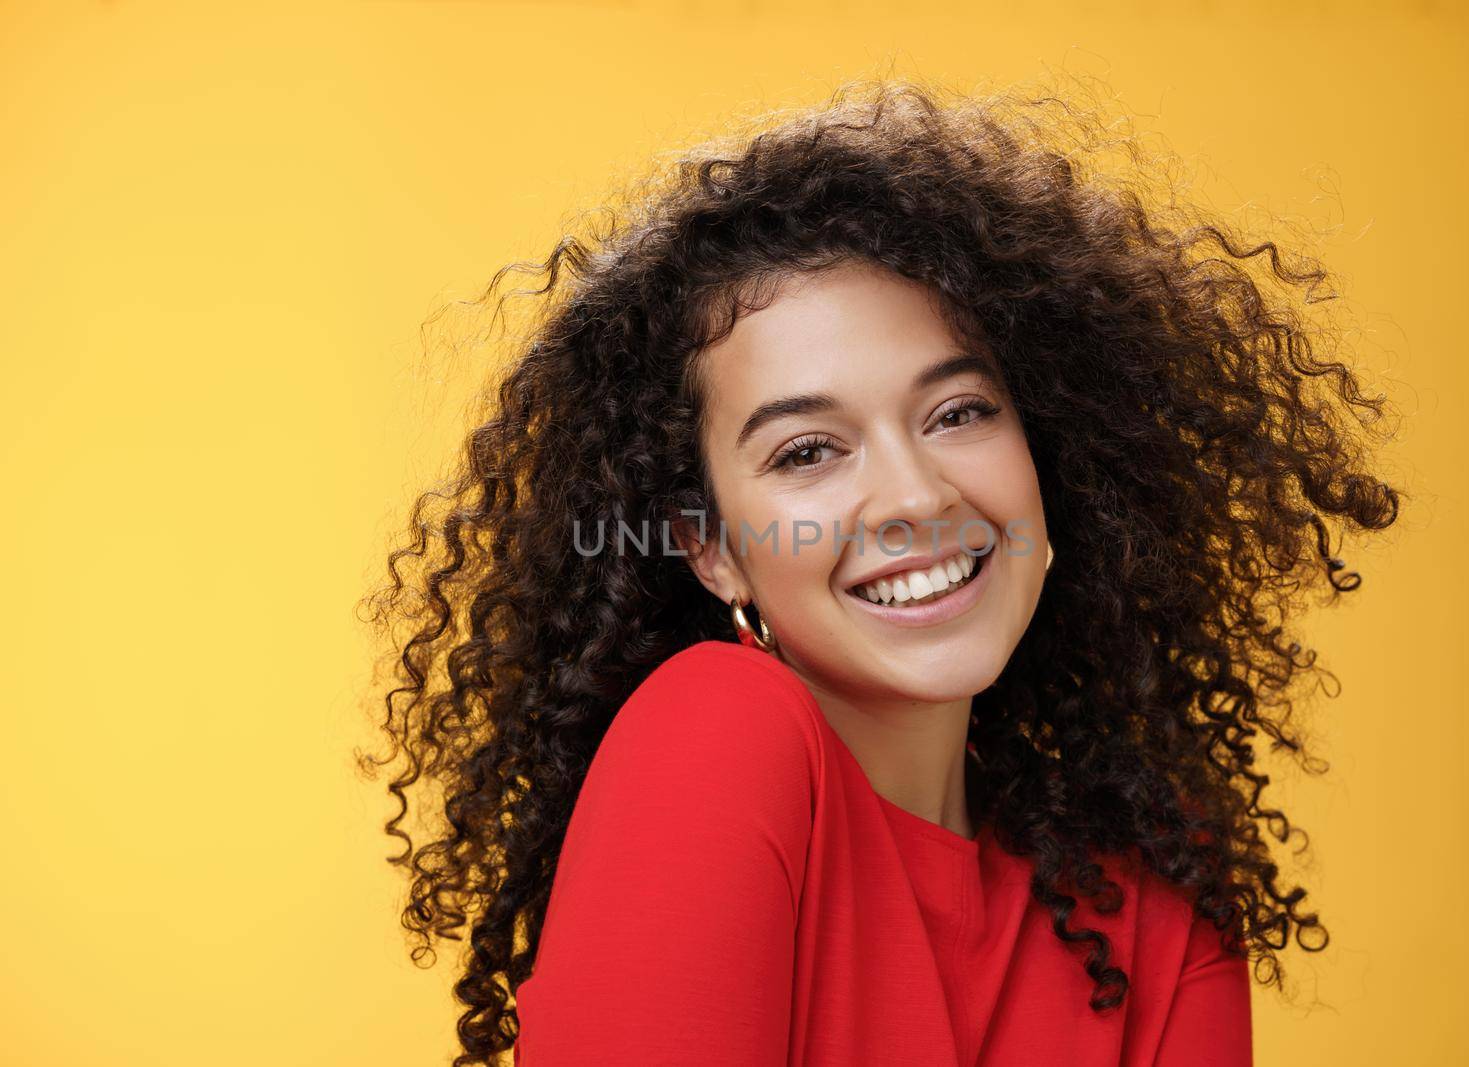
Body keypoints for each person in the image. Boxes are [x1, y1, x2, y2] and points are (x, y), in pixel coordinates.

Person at [360, 77, 1403, 1066]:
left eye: (958, 413)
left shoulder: (1158, 893)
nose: (914, 497)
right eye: (808, 450)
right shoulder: (714, 730)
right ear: (711, 546)